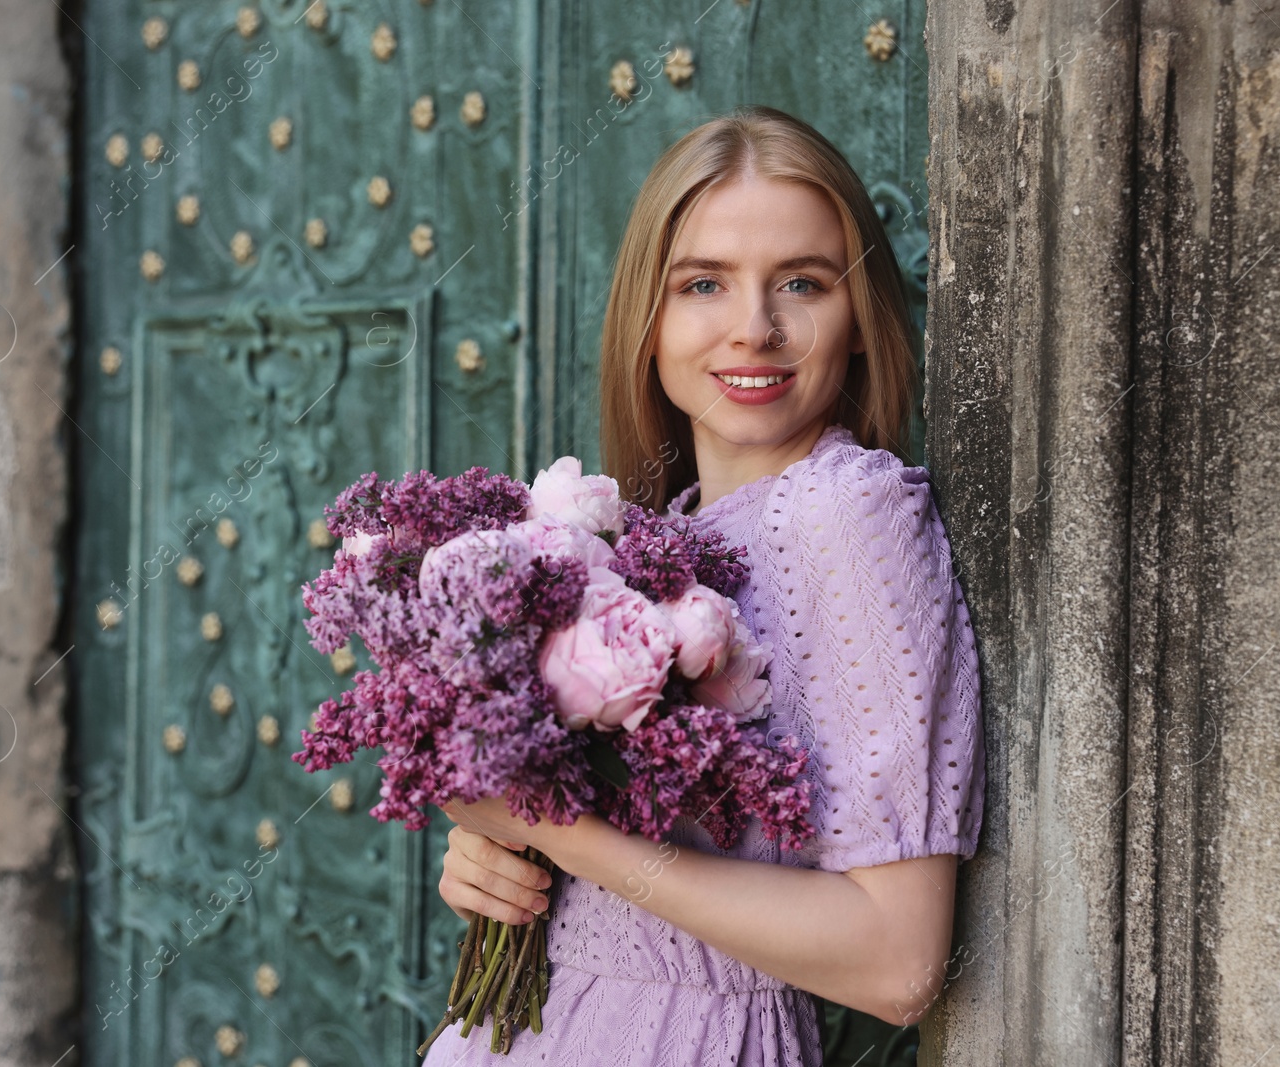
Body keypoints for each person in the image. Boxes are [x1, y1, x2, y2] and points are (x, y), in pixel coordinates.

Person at [422, 104, 984, 1066]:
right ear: (649, 319)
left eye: (802, 282)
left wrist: (561, 833)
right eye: (704, 284)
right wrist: (498, 862)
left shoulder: (848, 514)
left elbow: (897, 960)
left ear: (859, 321)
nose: (753, 329)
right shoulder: (654, 536)